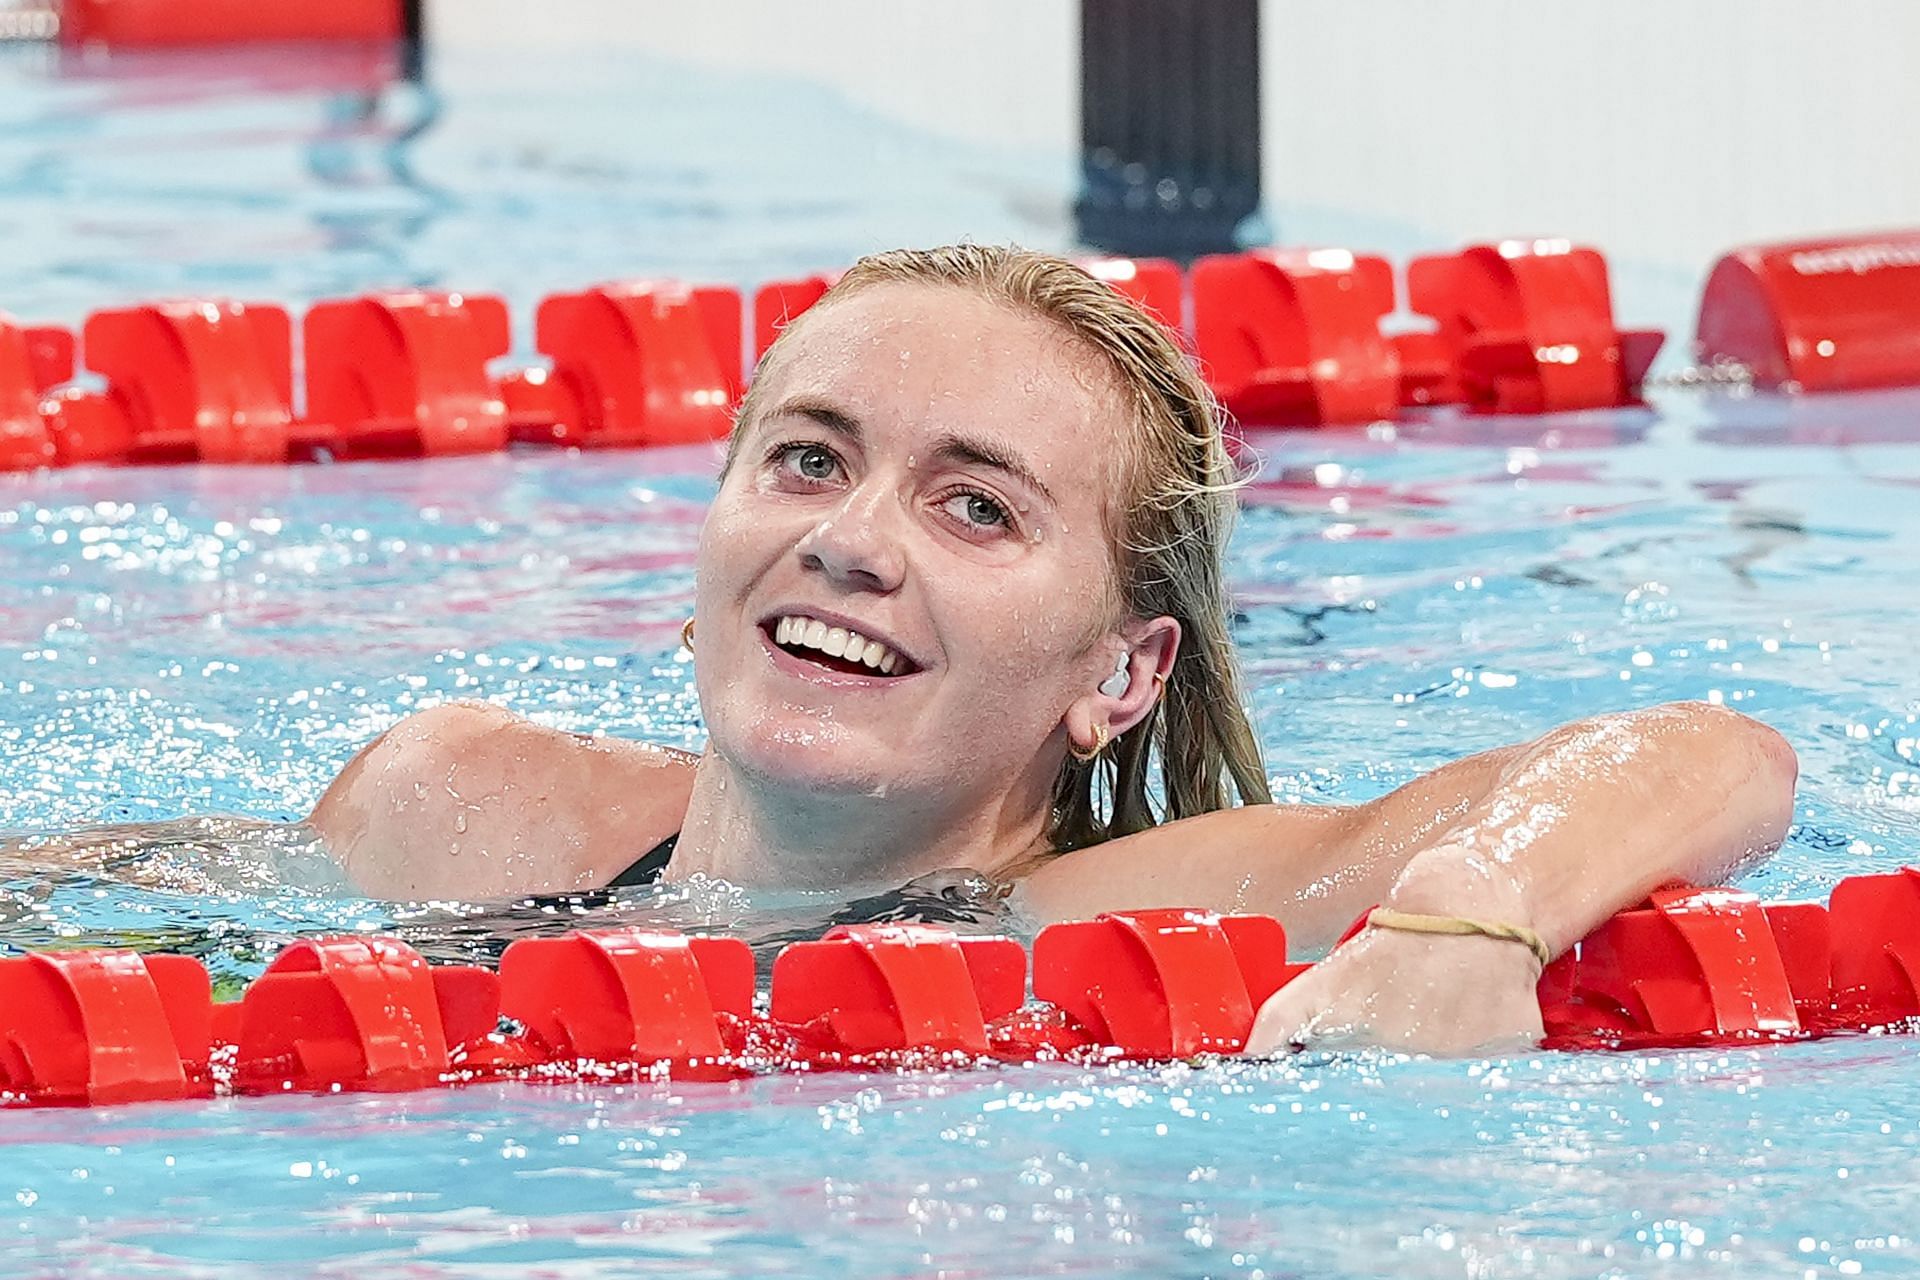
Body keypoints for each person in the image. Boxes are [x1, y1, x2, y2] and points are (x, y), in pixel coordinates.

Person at [308, 244, 1798, 1055]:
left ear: (1121, 675)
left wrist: (1477, 911)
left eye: (976, 506)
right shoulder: (449, 806)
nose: (853, 542)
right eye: (810, 461)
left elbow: (1715, 754)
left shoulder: (1126, 925)